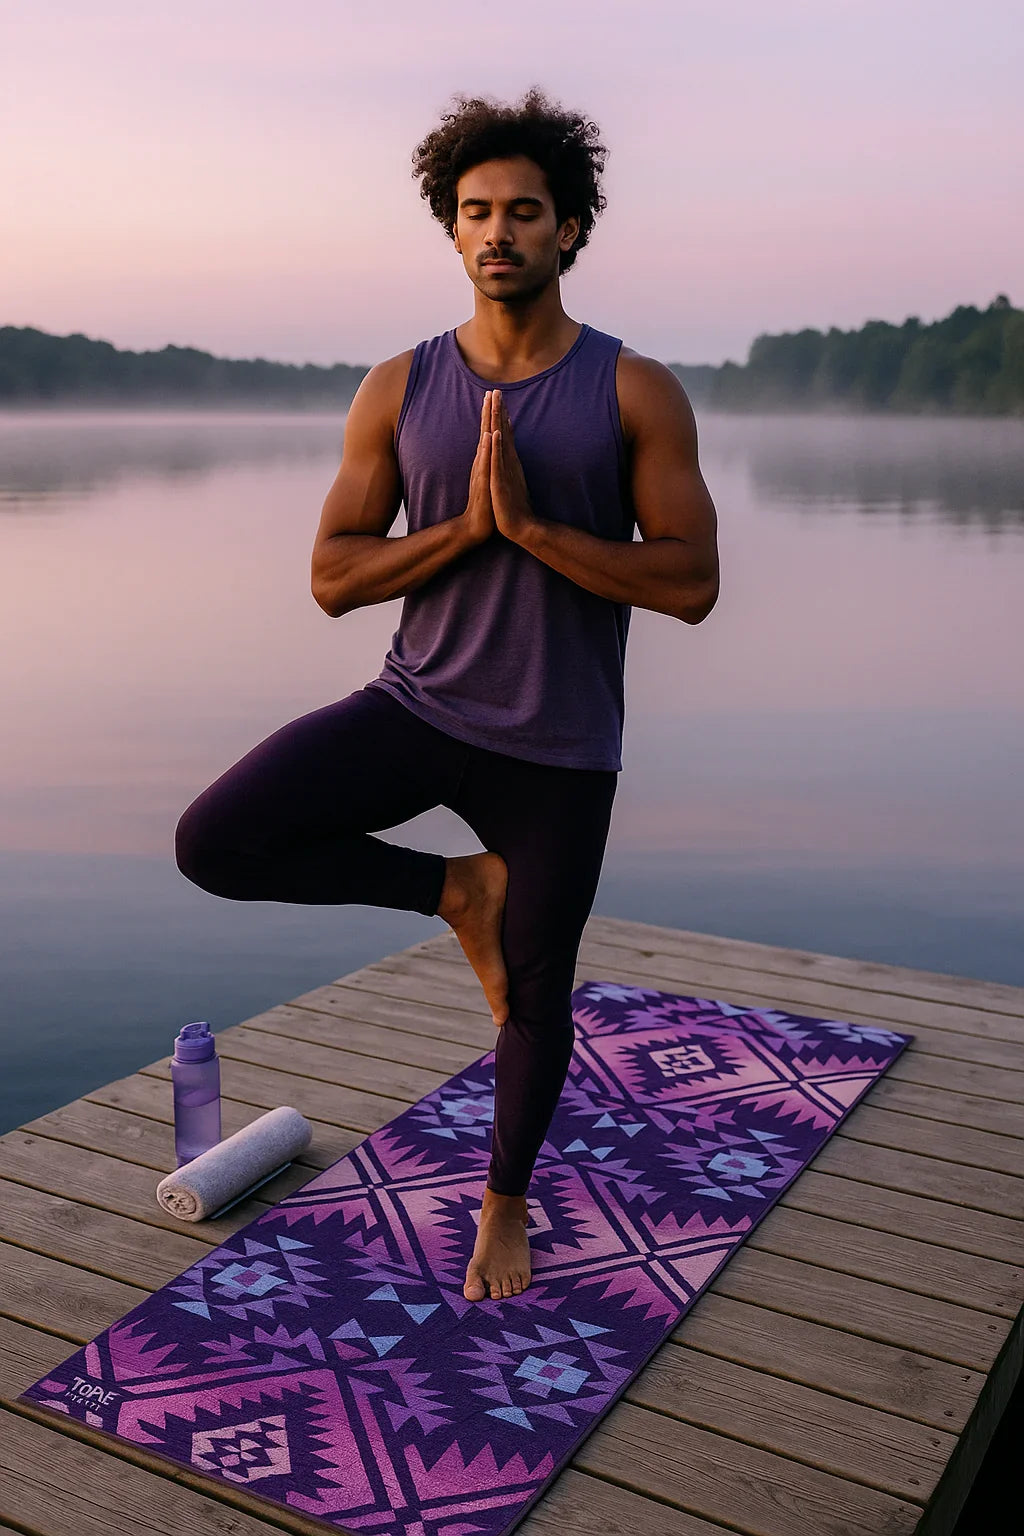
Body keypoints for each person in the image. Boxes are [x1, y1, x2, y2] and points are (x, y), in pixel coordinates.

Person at [174, 87, 719, 1304]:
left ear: (569, 228)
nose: (498, 233)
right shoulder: (397, 388)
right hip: (417, 707)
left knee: (535, 995)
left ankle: (506, 1204)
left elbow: (690, 583)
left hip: (561, 748)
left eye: (525, 211)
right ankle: (450, 887)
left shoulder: (636, 392)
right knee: (214, 839)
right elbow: (331, 577)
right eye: (475, 212)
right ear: (450, 228)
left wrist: (531, 528)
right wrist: (469, 528)